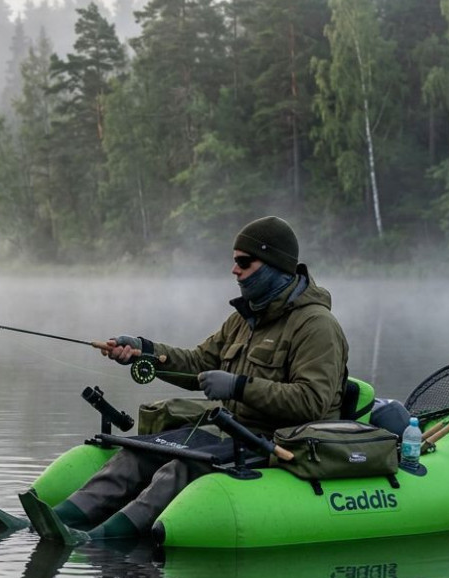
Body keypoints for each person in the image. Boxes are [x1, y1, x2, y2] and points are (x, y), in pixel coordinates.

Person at [19, 215, 350, 542]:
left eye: (244, 262)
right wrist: (142, 350)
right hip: (233, 430)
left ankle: (103, 538)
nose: (235, 270)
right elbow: (198, 363)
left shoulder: (317, 325)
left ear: (274, 263)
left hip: (279, 440)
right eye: (235, 262)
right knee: (142, 451)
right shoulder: (243, 319)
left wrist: (238, 386)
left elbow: (312, 402)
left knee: (181, 468)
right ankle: (51, 521)